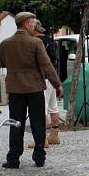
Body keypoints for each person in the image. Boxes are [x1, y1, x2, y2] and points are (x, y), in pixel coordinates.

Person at [0, 12, 62, 169]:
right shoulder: (35, 43)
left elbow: (2, 63)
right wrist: (57, 84)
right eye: (33, 23)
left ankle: (13, 158)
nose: (35, 25)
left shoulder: (6, 44)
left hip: (15, 89)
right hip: (34, 88)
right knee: (37, 122)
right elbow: (47, 65)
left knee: (15, 123)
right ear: (26, 24)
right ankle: (39, 157)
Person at [28, 19, 61, 147]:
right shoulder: (49, 40)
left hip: (42, 78)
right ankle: (54, 135)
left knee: (42, 109)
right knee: (53, 107)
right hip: (52, 77)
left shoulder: (36, 42)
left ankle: (42, 140)